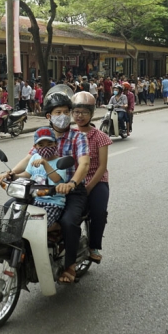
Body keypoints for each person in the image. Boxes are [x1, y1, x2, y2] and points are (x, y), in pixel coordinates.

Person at [0, 92, 90, 284]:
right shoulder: (43, 136)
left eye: (65, 112)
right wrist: (10, 173)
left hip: (69, 189)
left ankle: (70, 265)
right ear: (49, 116)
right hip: (41, 189)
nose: (62, 115)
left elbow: (84, 164)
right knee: (10, 206)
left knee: (69, 222)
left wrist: (71, 183)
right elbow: (29, 159)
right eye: (58, 112)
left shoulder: (77, 137)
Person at [71, 92, 112, 263]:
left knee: (98, 211)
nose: (79, 116)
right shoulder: (69, 134)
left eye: (84, 112)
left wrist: (88, 188)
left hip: (96, 181)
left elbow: (102, 167)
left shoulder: (100, 137)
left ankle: (94, 246)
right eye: (76, 112)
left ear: (92, 114)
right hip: (73, 180)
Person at [9, 127, 66, 231]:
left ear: (56, 144)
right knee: (17, 222)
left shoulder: (60, 162)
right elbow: (27, 174)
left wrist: (45, 163)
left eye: (49, 144)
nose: (46, 148)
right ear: (35, 146)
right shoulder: (34, 157)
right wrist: (14, 176)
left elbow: (56, 178)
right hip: (35, 200)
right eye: (41, 145)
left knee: (40, 227)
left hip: (53, 203)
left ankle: (58, 227)